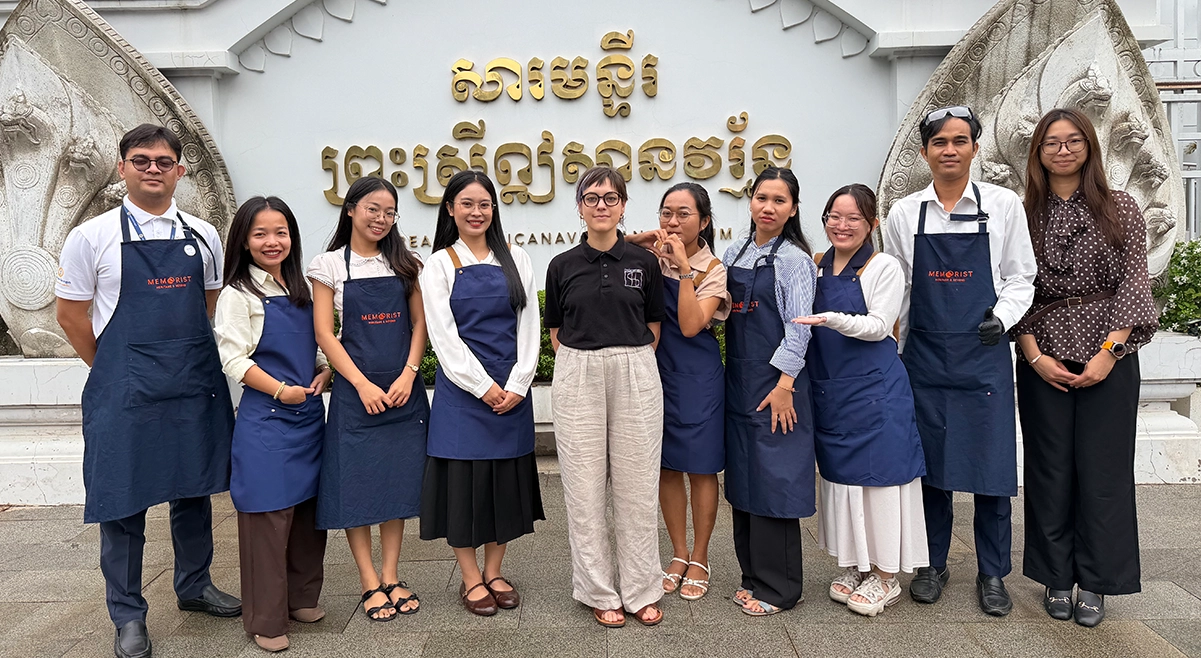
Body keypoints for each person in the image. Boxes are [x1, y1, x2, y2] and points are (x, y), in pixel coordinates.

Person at [55, 123, 241, 658]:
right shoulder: (91, 237)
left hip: (192, 383)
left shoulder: (203, 235)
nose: (153, 169)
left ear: (180, 170)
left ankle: (195, 585)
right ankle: (128, 615)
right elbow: (70, 316)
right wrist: (111, 367)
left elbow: (209, 306)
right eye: (141, 160)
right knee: (122, 499)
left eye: (163, 161)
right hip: (125, 389)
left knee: (194, 491)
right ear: (123, 168)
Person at [882, 105, 1037, 617]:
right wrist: (893, 347)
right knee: (929, 469)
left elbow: (1021, 277)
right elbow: (899, 288)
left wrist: (1003, 317)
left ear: (975, 147)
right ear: (925, 152)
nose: (949, 150)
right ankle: (932, 564)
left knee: (992, 470)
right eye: (939, 142)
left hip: (983, 356)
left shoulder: (1004, 205)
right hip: (924, 359)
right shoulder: (905, 213)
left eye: (959, 141)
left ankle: (993, 573)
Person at [1012, 108, 1158, 627]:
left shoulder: (1120, 207)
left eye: (1073, 140)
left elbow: (1134, 281)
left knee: (1104, 470)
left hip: (1109, 352)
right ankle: (1055, 576)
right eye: (1051, 142)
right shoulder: (1023, 214)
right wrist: (1033, 355)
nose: (1063, 150)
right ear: (1037, 152)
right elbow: (1013, 285)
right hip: (1042, 351)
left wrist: (1109, 354)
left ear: (1090, 147)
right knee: (1049, 468)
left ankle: (1096, 581)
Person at [792, 184, 928, 617]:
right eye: (834, 216)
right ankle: (856, 565)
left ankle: (886, 576)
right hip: (833, 391)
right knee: (843, 482)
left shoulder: (883, 266)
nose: (842, 225)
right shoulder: (817, 265)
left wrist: (830, 318)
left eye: (853, 218)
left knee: (882, 482)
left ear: (872, 223)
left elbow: (879, 326)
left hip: (876, 392)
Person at [544, 166, 666, 628]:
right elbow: (556, 331)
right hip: (578, 371)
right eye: (592, 197)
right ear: (579, 207)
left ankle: (641, 589)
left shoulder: (643, 262)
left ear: (623, 205)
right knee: (584, 489)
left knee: (638, 488)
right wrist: (586, 362)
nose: (601, 205)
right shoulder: (561, 265)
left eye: (610, 197)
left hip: (635, 368)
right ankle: (598, 590)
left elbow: (653, 325)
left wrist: (627, 358)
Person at [420, 171, 545, 616]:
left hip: (512, 392)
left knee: (504, 487)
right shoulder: (439, 264)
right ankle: (470, 577)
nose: (477, 212)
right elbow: (443, 337)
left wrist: (518, 382)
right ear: (450, 209)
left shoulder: (516, 258)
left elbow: (529, 325)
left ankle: (494, 571)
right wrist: (483, 386)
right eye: (467, 204)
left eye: (485, 204)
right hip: (463, 395)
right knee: (464, 490)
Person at [306, 176, 429, 622]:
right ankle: (368, 580)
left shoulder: (406, 264)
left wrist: (409, 374)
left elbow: (420, 325)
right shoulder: (328, 265)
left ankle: (391, 575)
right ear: (351, 209)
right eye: (373, 209)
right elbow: (325, 333)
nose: (381, 218)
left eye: (389, 212)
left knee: (396, 485)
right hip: (356, 396)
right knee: (357, 487)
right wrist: (360, 384)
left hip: (402, 393)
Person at [214, 196, 331, 652]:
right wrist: (282, 390)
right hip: (266, 421)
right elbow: (234, 360)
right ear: (244, 241)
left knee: (307, 515)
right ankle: (265, 618)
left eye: (280, 232)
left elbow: (315, 345)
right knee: (267, 519)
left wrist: (323, 369)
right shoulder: (238, 294)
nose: (272, 241)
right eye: (260, 233)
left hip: (308, 418)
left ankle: (301, 598)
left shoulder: (300, 288)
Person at [722, 166, 817, 617]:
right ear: (751, 201)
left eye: (780, 201)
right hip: (740, 383)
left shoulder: (795, 261)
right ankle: (753, 577)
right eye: (762, 198)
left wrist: (784, 385)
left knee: (774, 483)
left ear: (793, 209)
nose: (768, 207)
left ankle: (781, 589)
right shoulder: (735, 251)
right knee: (744, 480)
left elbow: (799, 330)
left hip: (777, 386)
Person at [628, 182, 730, 601]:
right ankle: (678, 553)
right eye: (666, 212)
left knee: (701, 468)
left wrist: (684, 269)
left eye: (683, 214)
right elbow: (599, 248)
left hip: (697, 378)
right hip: (653, 373)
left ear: (703, 222)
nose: (672, 221)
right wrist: (640, 240)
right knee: (666, 467)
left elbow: (690, 325)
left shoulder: (713, 269)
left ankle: (701, 556)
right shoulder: (648, 258)